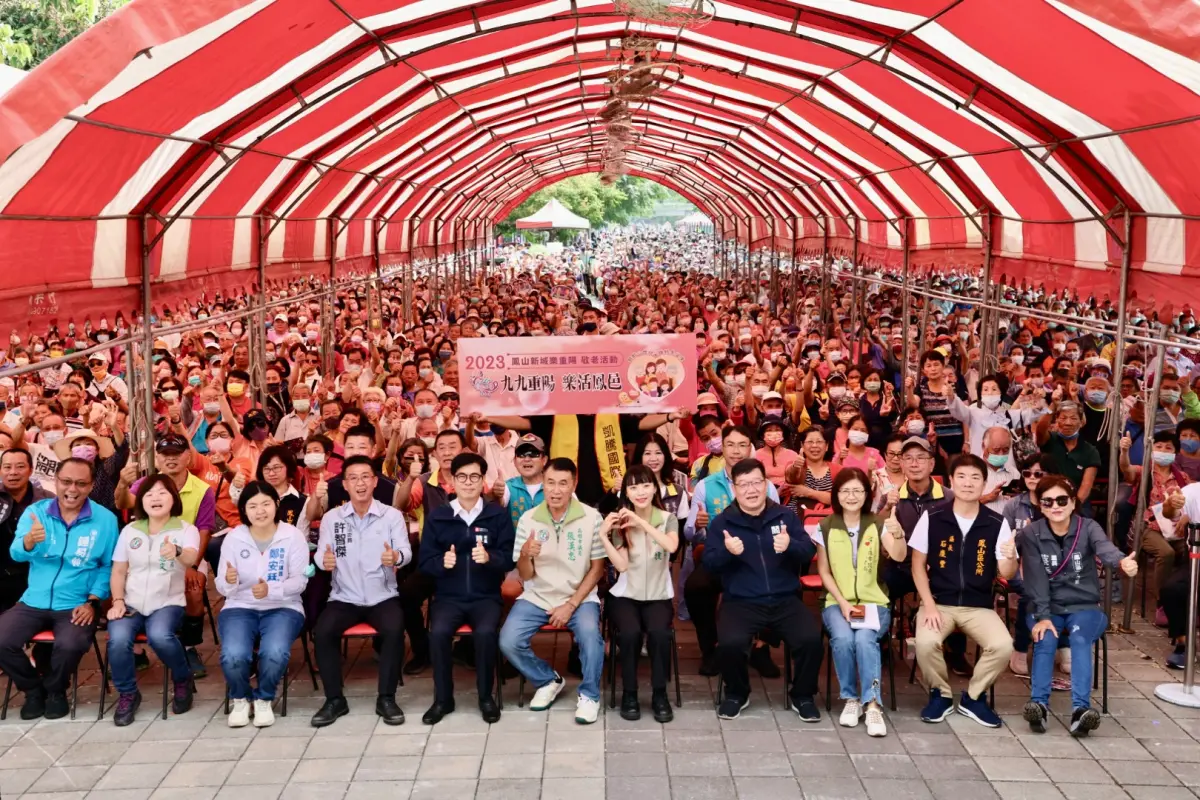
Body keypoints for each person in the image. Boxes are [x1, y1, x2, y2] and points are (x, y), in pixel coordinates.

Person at [0, 458, 119, 719]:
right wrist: (29, 541)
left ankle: (56, 690)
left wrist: (93, 602)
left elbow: (107, 566)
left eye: (80, 483)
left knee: (70, 644)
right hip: (34, 600)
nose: (72, 489)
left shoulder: (105, 520)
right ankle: (33, 690)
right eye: (66, 482)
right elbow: (17, 554)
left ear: (90, 486)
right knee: (2, 639)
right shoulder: (37, 512)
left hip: (76, 602)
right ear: (56, 481)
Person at [1020, 475, 1138, 736]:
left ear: (1073, 502)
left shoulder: (1088, 527)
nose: (1056, 506)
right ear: (1040, 506)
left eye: (1062, 500)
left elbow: (1105, 548)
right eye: (1048, 501)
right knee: (1046, 638)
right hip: (1045, 606)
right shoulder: (1031, 533)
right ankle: (1038, 706)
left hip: (1084, 606)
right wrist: (1042, 615)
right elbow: (1035, 577)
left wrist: (1121, 562)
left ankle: (1080, 711)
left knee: (1080, 639)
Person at [704, 459, 821, 720]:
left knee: (811, 641)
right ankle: (737, 693)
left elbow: (808, 553)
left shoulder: (785, 516)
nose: (751, 489)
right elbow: (710, 565)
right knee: (730, 644)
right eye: (744, 484)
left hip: (785, 598)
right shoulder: (723, 522)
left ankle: (802, 695)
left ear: (766, 484)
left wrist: (791, 544)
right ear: (734, 489)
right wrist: (727, 552)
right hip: (741, 601)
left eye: (756, 482)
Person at [911, 453, 1017, 727]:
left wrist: (1010, 556)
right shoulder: (932, 517)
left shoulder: (996, 523)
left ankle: (973, 696)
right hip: (939, 602)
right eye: (961, 476)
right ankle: (941, 695)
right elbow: (917, 566)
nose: (968, 483)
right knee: (925, 642)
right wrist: (929, 605)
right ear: (950, 481)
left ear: (984, 483)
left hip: (978, 605)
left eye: (975, 478)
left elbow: (1008, 573)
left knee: (1003, 646)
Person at [499, 457, 607, 724]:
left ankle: (590, 695)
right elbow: (525, 575)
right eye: (550, 483)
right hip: (537, 596)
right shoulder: (528, 519)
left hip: (579, 598)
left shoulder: (592, 517)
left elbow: (597, 569)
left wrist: (570, 605)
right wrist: (525, 555)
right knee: (508, 641)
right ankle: (547, 680)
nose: (556, 490)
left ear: (574, 484)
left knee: (591, 638)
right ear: (543, 483)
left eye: (563, 483)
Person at [311, 455, 412, 727]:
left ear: (375, 481)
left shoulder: (391, 516)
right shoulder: (333, 518)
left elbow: (406, 552)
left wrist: (396, 558)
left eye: (365, 477)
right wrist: (324, 562)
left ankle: (387, 698)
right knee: (322, 632)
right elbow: (322, 554)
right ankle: (335, 700)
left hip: (382, 595)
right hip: (345, 597)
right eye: (353, 478)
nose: (360, 483)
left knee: (393, 630)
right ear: (344, 485)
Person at [418, 452, 514, 725]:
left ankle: (486, 697)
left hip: (486, 597)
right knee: (438, 634)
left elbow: (509, 556)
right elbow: (425, 561)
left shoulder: (496, 515)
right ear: (452, 481)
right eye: (462, 477)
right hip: (449, 598)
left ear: (483, 481)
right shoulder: (439, 517)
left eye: (474, 477)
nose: (468, 483)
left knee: (485, 634)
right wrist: (441, 563)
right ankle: (443, 699)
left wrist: (491, 559)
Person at [813, 467, 906, 737]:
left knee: (865, 639)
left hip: (874, 601)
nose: (851, 496)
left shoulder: (877, 523)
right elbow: (823, 571)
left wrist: (897, 534)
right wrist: (842, 602)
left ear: (867, 494)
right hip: (836, 601)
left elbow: (899, 557)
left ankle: (873, 704)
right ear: (836, 494)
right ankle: (851, 699)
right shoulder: (826, 526)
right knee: (842, 640)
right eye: (845, 490)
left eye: (857, 490)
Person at [116, 433, 217, 678]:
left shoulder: (203, 489)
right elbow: (123, 503)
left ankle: (190, 647)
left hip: (187, 553)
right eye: (165, 455)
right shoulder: (147, 485)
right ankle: (137, 649)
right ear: (158, 459)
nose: (171, 459)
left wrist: (193, 565)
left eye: (176, 454)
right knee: (118, 588)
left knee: (194, 589)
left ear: (188, 456)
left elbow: (204, 530)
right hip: (146, 554)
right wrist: (121, 484)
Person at [684, 425, 781, 675]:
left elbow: (778, 526)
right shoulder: (706, 486)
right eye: (731, 445)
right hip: (720, 558)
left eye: (742, 445)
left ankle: (760, 647)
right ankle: (712, 648)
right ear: (722, 448)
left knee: (784, 581)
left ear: (750, 448)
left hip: (758, 560)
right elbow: (688, 535)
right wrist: (697, 526)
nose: (736, 451)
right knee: (696, 587)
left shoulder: (767, 487)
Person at [106, 475, 201, 725]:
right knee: (117, 640)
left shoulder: (185, 530)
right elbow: (118, 571)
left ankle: (182, 678)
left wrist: (177, 552)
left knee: (160, 636)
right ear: (141, 501)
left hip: (167, 601)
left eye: (162, 493)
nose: (155, 498)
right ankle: (128, 694)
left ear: (174, 499)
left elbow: (191, 559)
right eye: (149, 494)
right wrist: (117, 601)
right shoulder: (130, 530)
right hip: (131, 601)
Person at [214, 481, 309, 727]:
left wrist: (272, 589)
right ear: (244, 510)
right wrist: (228, 580)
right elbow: (222, 587)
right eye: (252, 506)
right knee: (234, 655)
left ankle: (264, 698)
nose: (260, 511)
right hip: (239, 606)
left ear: (276, 504)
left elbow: (300, 582)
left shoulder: (292, 535)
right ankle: (241, 698)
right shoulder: (235, 537)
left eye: (266, 503)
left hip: (283, 607)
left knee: (275, 652)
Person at [598, 465, 680, 723]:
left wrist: (642, 522)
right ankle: (629, 694)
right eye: (633, 487)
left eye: (645, 485)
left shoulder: (668, 519)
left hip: (658, 595)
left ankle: (659, 695)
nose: (640, 492)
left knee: (659, 633)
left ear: (655, 487)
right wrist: (604, 536)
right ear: (626, 493)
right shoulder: (620, 523)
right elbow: (621, 566)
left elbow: (671, 546)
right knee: (630, 634)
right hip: (625, 596)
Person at [0, 449, 52, 612]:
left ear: (31, 470)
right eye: (7, 467)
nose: (13, 473)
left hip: (37, 574)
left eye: (20, 466)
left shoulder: (48, 500)